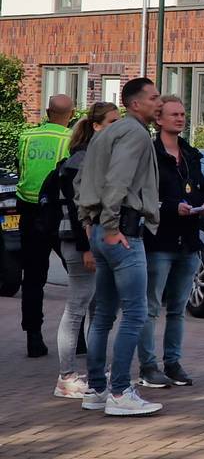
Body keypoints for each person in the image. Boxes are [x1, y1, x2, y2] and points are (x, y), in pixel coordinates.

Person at [74, 77, 163, 417]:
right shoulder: (135, 133)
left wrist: (91, 223)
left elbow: (83, 181)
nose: (160, 103)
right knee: (135, 314)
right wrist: (111, 227)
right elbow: (118, 181)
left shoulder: (105, 133)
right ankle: (121, 391)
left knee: (104, 316)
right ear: (135, 103)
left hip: (101, 231)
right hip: (121, 233)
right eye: (154, 98)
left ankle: (96, 389)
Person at [137, 96, 204, 390]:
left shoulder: (191, 154)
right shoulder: (151, 153)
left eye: (183, 114)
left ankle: (173, 362)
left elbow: (202, 186)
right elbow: (143, 195)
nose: (180, 119)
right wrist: (171, 207)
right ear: (159, 119)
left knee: (178, 308)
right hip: (159, 240)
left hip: (189, 240)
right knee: (151, 306)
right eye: (174, 114)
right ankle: (148, 365)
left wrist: (203, 203)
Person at [45, 102, 118, 398]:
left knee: (93, 307)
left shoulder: (88, 157)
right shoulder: (83, 161)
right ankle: (66, 377)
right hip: (79, 244)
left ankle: (91, 371)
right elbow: (80, 210)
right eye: (113, 121)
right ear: (97, 126)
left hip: (83, 242)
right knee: (77, 308)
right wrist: (86, 247)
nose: (118, 126)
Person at [16, 94, 74, 357]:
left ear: (47, 111)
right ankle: (79, 336)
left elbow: (21, 168)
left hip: (29, 210)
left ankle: (33, 336)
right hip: (59, 212)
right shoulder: (69, 139)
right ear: (71, 114)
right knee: (77, 275)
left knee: (33, 277)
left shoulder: (26, 137)